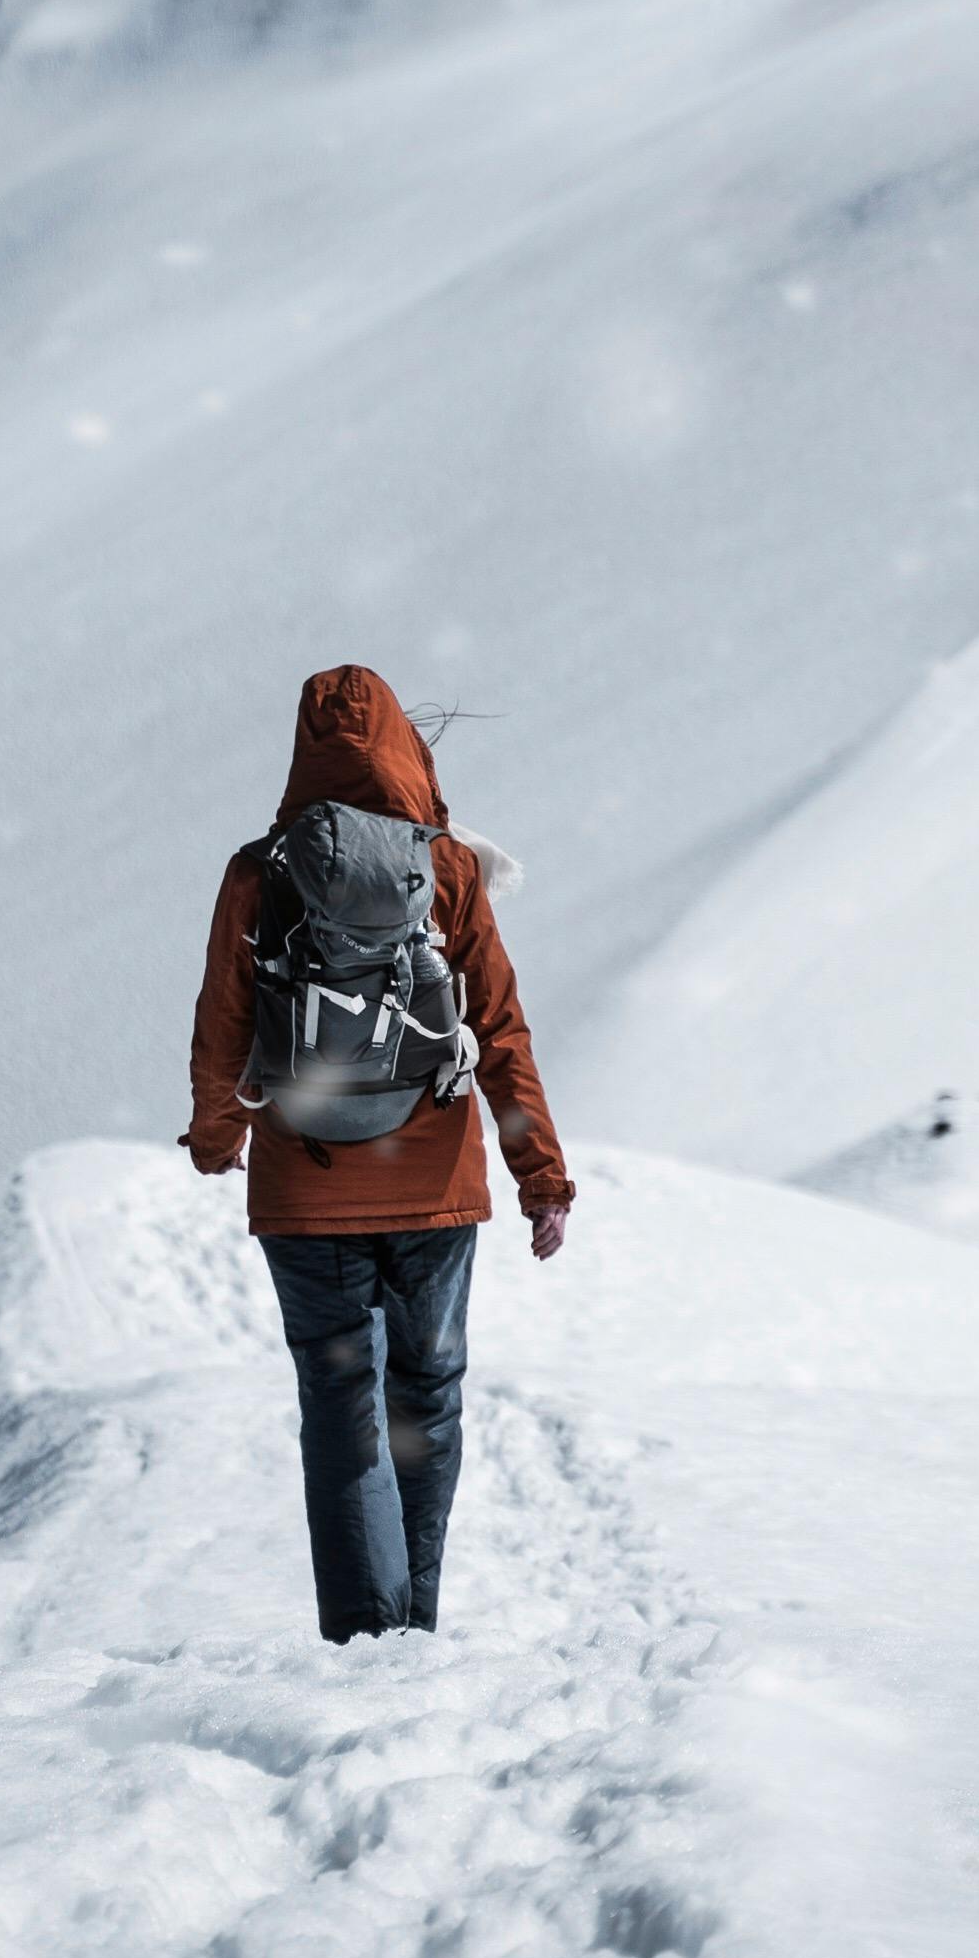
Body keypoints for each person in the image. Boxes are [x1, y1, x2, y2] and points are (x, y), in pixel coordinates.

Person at [182, 665, 572, 1643]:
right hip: (435, 1191)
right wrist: (542, 1181)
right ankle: (416, 1632)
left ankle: (367, 1638)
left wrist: (217, 1138)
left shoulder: (259, 872)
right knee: (426, 1401)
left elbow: (223, 1029)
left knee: (341, 1403)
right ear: (406, 749)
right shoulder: (446, 869)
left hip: (304, 1193)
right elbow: (503, 1030)